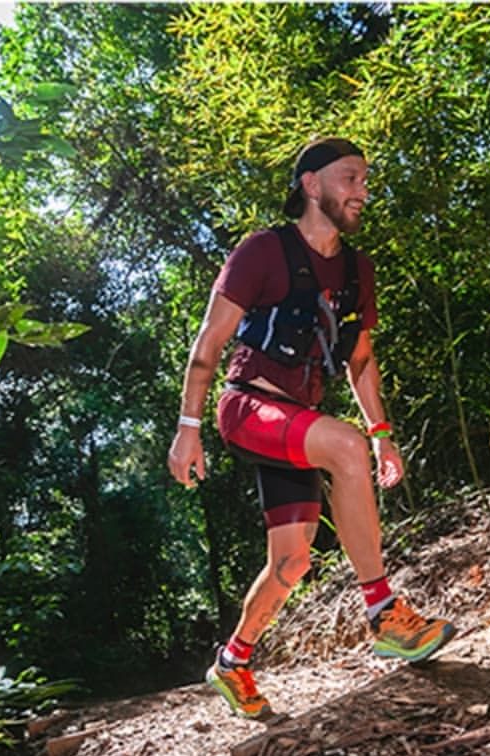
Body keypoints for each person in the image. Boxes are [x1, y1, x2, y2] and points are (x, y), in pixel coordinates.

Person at [167, 136, 454, 721]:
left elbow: (361, 359)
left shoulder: (356, 270)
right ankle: (384, 613)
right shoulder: (262, 252)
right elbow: (210, 342)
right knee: (343, 447)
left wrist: (382, 432)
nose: (362, 193)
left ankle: (232, 660)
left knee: (292, 563)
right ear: (311, 184)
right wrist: (187, 427)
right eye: (350, 179)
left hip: (299, 426)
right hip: (249, 408)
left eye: (365, 181)